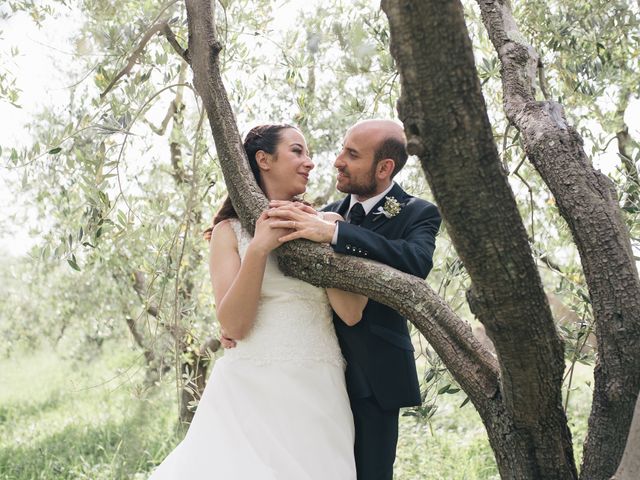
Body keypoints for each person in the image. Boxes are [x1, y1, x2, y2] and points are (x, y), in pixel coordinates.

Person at [148, 124, 366, 480]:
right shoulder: (228, 232)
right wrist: (260, 247)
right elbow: (234, 325)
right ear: (263, 159)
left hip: (319, 386)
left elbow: (351, 313)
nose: (310, 163)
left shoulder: (328, 223)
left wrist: (325, 240)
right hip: (249, 386)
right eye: (297, 151)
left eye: (308, 153)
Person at [267, 119, 441, 480]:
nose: (337, 161)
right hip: (313, 369)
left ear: (384, 168)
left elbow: (416, 262)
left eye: (352, 154)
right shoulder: (323, 210)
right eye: (343, 149)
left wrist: (336, 233)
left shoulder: (416, 212)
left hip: (375, 376)